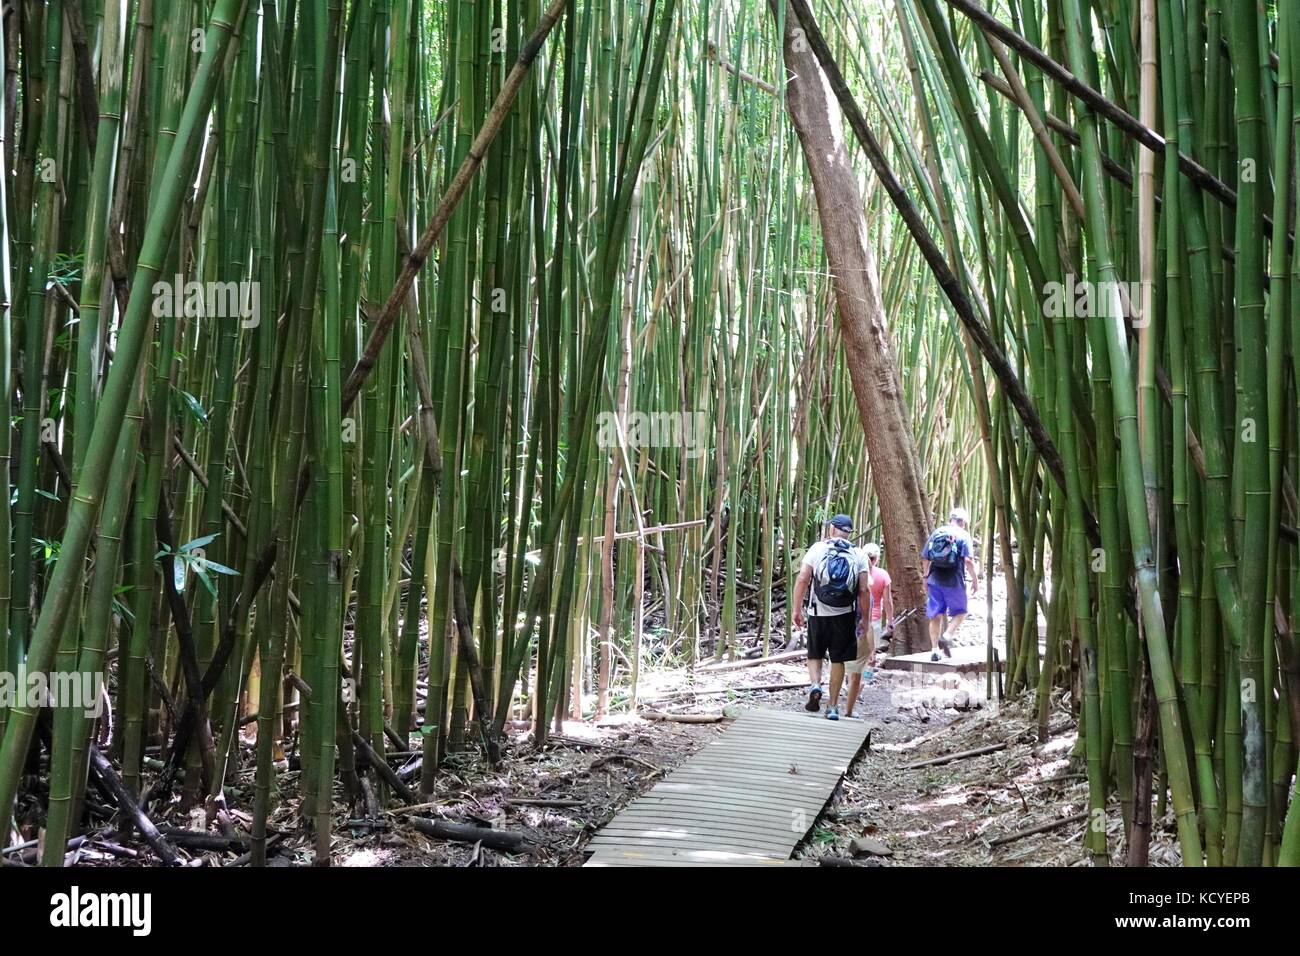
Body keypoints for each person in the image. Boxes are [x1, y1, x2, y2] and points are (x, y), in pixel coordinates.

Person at [791, 514, 871, 721]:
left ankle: (816, 685)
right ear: (849, 532)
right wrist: (866, 619)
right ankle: (833, 707)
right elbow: (864, 590)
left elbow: (802, 579)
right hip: (845, 615)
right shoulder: (859, 554)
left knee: (815, 654)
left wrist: (796, 609)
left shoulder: (818, 549)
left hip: (817, 612)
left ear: (832, 529)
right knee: (838, 660)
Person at [842, 542, 893, 718]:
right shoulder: (883, 575)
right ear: (877, 558)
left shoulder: (853, 573)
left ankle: (851, 686)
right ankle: (859, 687)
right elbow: (887, 601)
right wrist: (890, 620)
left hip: (851, 620)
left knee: (852, 657)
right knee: (869, 659)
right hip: (873, 621)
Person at [921, 507, 978, 662]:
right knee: (962, 611)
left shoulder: (937, 532)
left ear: (950, 519)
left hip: (934, 581)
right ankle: (946, 636)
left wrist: (926, 577)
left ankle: (934, 650)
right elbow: (968, 560)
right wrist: (975, 579)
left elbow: (925, 558)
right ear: (964, 523)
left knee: (936, 615)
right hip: (954, 581)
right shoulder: (964, 536)